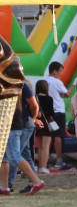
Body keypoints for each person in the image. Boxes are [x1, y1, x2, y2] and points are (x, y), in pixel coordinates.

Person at [1, 55, 45, 196]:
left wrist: (32, 119)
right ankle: (5, 186)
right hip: (13, 124)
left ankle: (36, 181)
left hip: (14, 124)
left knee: (15, 156)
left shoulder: (15, 84)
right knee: (6, 157)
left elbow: (33, 105)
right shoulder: (14, 83)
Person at [42, 61, 69, 170]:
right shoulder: (57, 82)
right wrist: (74, 86)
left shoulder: (43, 81)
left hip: (48, 114)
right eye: (60, 71)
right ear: (54, 71)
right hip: (58, 112)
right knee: (58, 136)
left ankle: (45, 161)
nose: (61, 74)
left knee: (50, 136)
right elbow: (66, 94)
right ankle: (59, 160)